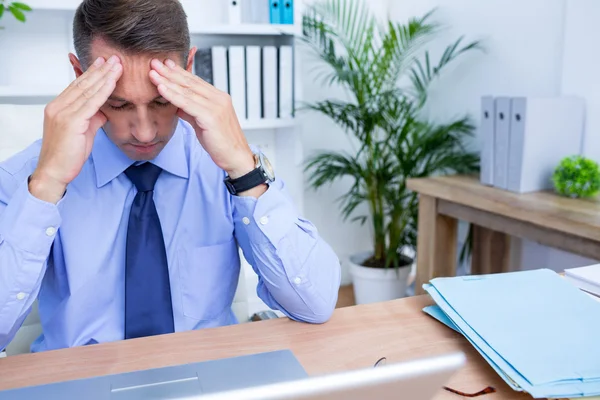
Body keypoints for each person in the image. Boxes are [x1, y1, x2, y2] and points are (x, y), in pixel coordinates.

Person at [0, 0, 341, 353]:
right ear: (79, 75)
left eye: (161, 101)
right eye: (119, 105)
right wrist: (47, 185)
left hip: (211, 374)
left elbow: (314, 304)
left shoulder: (226, 161)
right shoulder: (30, 175)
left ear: (189, 67)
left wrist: (244, 169)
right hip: (81, 381)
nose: (145, 133)